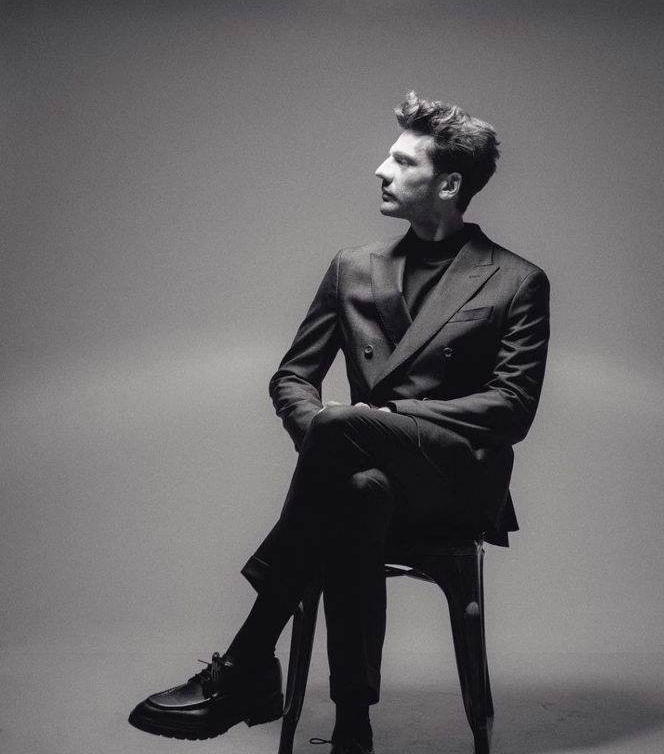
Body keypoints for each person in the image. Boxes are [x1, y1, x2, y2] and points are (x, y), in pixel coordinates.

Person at [128, 91, 551, 753]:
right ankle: (353, 727)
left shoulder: (516, 281)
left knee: (341, 434)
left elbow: (511, 408)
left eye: (401, 160)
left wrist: (373, 418)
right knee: (356, 491)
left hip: (456, 483)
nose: (380, 169)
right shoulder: (352, 268)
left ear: (448, 182)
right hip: (365, 471)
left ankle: (246, 664)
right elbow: (293, 376)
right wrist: (330, 432)